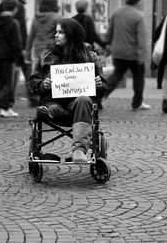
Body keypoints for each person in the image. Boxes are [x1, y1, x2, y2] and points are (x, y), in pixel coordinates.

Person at [28, 18, 108, 163]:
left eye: (61, 32)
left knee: (84, 99)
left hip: (79, 107)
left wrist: (99, 85)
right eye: (56, 32)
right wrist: (42, 84)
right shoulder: (45, 56)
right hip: (53, 105)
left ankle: (78, 151)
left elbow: (104, 86)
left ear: (72, 35)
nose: (56, 35)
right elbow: (32, 82)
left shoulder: (91, 57)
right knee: (48, 109)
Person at [104, 0, 150, 110]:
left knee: (116, 76)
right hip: (134, 53)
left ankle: (100, 97)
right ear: (138, 1)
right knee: (139, 78)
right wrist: (141, 56)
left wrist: (107, 45)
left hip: (118, 52)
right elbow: (141, 38)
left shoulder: (116, 13)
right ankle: (137, 102)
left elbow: (109, 32)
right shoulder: (138, 16)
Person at [8, 0, 35, 106]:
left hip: (9, 45)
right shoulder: (19, 5)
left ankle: (8, 99)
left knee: (13, 72)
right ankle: (33, 97)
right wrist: (24, 48)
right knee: (26, 69)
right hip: (19, 45)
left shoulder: (7, 2)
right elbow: (20, 28)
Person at [25, 0, 61, 70]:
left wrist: (27, 57)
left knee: (39, 76)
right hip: (52, 51)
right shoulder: (57, 17)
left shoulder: (36, 18)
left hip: (38, 52)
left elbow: (30, 38)